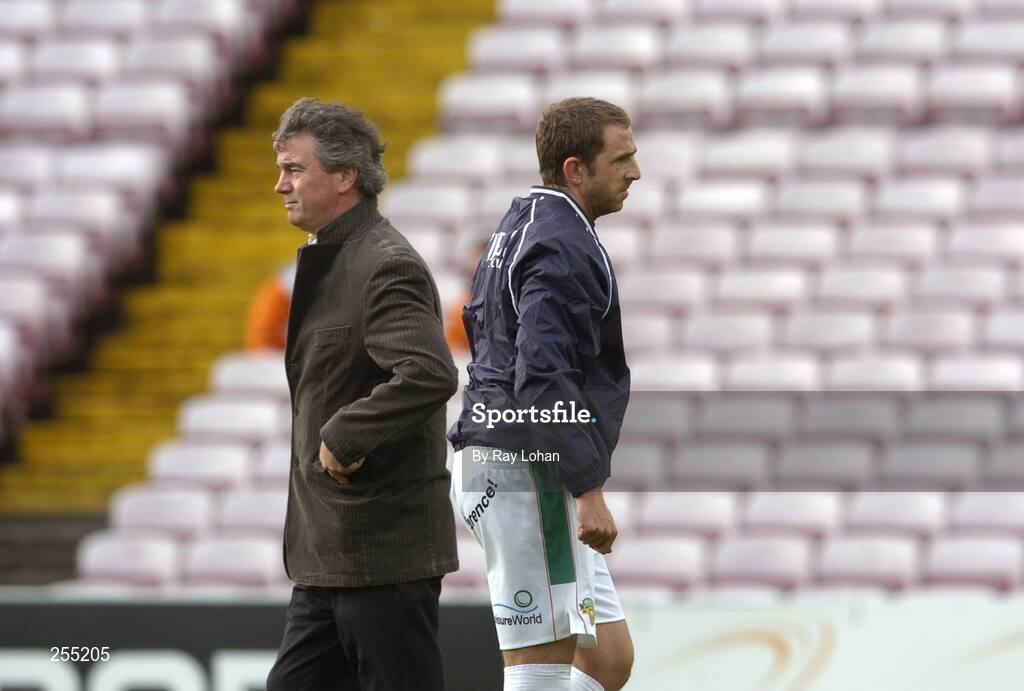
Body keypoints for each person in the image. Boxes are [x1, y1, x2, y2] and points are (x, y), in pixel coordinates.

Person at [265, 97, 459, 690]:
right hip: (330, 558)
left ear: (346, 176)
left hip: (382, 556)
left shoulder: (384, 263)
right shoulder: (339, 257)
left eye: (295, 170)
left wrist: (345, 434)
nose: (280, 185)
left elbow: (429, 371)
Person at [448, 97, 640, 691]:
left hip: (507, 456)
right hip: (524, 467)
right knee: (539, 666)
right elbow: (541, 376)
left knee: (608, 659)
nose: (635, 172)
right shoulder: (560, 247)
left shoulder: (524, 223)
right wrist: (586, 487)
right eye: (622, 159)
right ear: (575, 169)